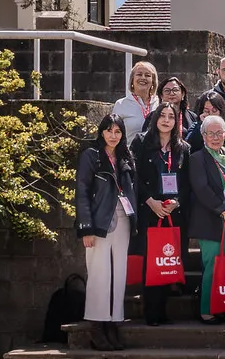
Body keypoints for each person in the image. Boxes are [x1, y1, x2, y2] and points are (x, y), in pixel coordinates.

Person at [75, 113, 136, 351]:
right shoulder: (91, 156)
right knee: (99, 275)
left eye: (118, 131)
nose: (114, 136)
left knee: (118, 275)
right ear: (102, 132)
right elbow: (81, 192)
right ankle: (97, 326)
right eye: (109, 131)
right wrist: (86, 228)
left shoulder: (125, 156)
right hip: (99, 222)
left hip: (123, 220)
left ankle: (113, 323)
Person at [130, 101, 188, 327]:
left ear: (176, 121)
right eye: (162, 116)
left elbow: (186, 183)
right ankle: (151, 312)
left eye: (171, 117)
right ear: (155, 119)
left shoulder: (182, 148)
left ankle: (163, 310)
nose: (166, 120)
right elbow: (133, 176)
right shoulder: (142, 142)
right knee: (152, 262)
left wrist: (177, 201)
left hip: (173, 212)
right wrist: (149, 201)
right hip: (150, 211)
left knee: (168, 261)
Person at [187, 115, 225, 322]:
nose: (215, 137)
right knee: (212, 265)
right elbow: (202, 189)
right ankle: (207, 311)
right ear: (203, 136)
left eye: (219, 133)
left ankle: (224, 305)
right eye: (210, 133)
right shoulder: (197, 159)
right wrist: (223, 210)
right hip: (210, 220)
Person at [113, 61, 160, 137]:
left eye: (147, 75)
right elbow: (114, 133)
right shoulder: (121, 104)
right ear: (132, 80)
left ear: (153, 82)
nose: (143, 78)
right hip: (129, 148)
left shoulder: (160, 103)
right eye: (139, 74)